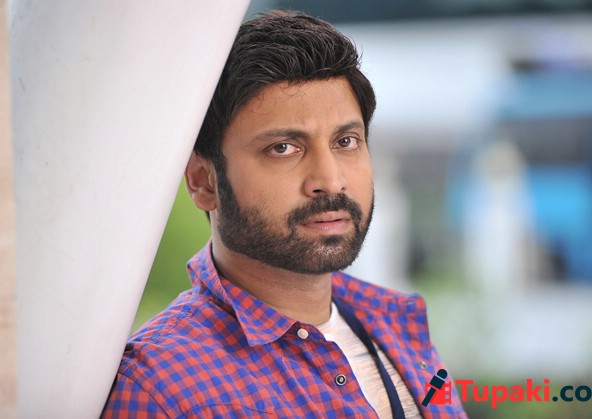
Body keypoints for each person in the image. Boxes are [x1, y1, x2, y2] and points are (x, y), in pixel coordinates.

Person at [102, 10, 466, 418]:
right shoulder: (162, 388)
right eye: (283, 148)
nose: (330, 181)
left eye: (346, 141)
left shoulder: (397, 324)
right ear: (204, 182)